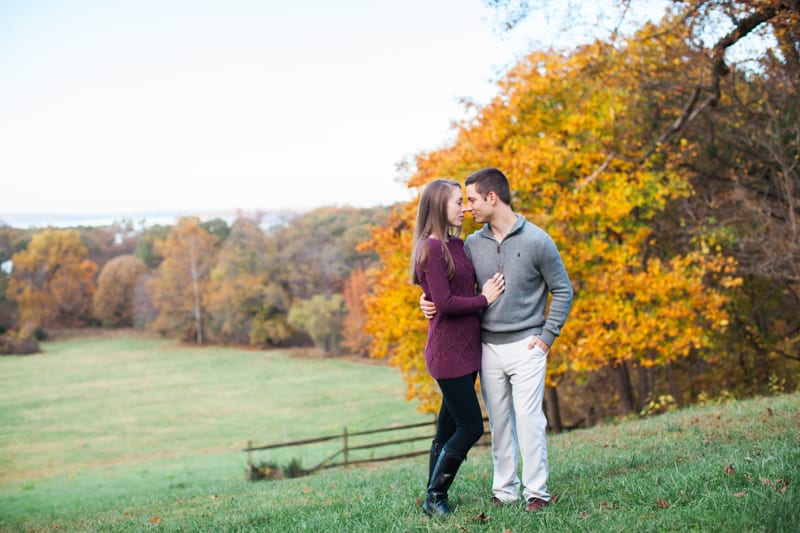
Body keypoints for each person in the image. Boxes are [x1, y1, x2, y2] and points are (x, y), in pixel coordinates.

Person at [421, 168, 573, 512]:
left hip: (528, 344)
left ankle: (537, 493)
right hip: (486, 346)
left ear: (492, 198)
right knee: (500, 423)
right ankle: (504, 490)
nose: (468, 207)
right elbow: (451, 285)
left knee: (530, 419)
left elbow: (563, 289)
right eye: (463, 201)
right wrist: (426, 301)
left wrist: (548, 336)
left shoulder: (538, 241)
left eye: (471, 199)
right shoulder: (472, 244)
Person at [410, 178, 506, 517]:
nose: (464, 208)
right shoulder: (431, 247)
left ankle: (430, 495)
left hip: (468, 351)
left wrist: (428, 299)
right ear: (438, 206)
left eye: (465, 202)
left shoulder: (457, 244)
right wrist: (485, 299)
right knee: (471, 427)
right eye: (456, 202)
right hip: (447, 354)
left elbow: (441, 291)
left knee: (447, 428)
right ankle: (436, 497)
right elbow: (446, 303)